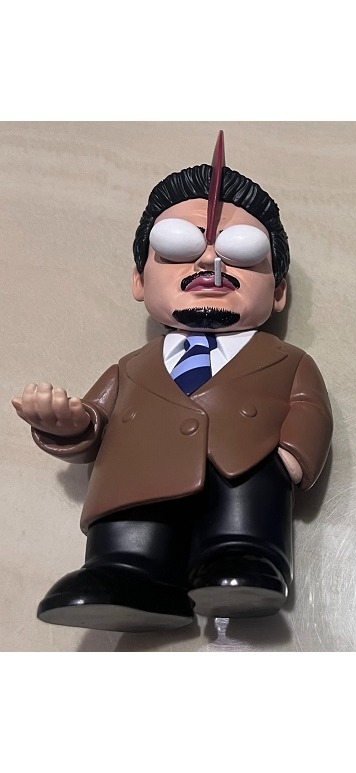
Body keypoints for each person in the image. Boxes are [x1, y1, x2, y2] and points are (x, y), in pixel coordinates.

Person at [12, 133, 333, 632]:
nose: (210, 263)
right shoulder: (130, 367)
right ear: (140, 280)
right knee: (128, 528)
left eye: (242, 252)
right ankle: (128, 572)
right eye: (177, 247)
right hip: (138, 472)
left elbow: (310, 407)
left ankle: (244, 558)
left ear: (279, 292)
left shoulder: (286, 359)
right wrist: (70, 424)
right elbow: (97, 420)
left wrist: (292, 457)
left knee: (246, 519)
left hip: (244, 468)